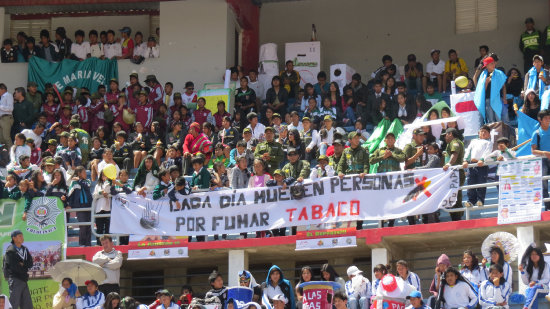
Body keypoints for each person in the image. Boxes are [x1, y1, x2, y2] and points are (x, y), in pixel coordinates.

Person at [462, 125, 493, 207]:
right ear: (478, 133)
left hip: (482, 165)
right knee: (470, 183)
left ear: (489, 135)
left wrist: (482, 159)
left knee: (481, 182)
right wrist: (465, 160)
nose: (483, 133)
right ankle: (471, 200)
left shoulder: (489, 143)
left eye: (485, 132)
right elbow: (468, 151)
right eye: (481, 131)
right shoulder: (473, 141)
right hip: (472, 164)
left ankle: (480, 200)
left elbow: (487, 152)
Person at [3, 230, 33, 309]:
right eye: (20, 236)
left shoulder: (25, 249)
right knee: (13, 303)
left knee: (27, 304)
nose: (22, 237)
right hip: (15, 279)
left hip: (24, 279)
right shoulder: (10, 251)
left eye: (22, 235)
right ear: (14, 238)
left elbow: (30, 264)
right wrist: (24, 267)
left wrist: (23, 264)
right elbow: (14, 267)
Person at [442, 128, 465, 221]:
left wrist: (449, 164)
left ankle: (457, 217)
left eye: (446, 134)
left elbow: (454, 154)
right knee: (452, 194)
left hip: (456, 173)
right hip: (452, 173)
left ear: (450, 134)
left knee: (455, 195)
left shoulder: (455, 142)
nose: (444, 137)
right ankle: (455, 216)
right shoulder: (450, 144)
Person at [68, 166, 93, 246]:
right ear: (79, 173)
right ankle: (82, 244)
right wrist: (70, 204)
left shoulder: (87, 181)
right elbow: (70, 194)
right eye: (84, 172)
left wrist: (79, 180)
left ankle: (88, 244)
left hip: (88, 206)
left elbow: (86, 186)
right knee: (82, 226)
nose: (86, 174)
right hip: (80, 207)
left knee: (89, 225)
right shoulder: (73, 182)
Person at [531, 109, 550, 210]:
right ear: (540, 120)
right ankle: (548, 207)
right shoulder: (536, 133)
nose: (548, 120)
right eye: (546, 118)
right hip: (543, 161)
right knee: (544, 184)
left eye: (549, 118)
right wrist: (545, 153)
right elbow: (533, 151)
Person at [519, 245, 549, 309]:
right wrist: (522, 271)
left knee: (535, 289)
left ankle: (526, 306)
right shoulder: (528, 267)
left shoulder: (545, 265)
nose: (534, 256)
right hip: (532, 289)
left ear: (540, 256)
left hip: (544, 288)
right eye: (532, 254)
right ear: (530, 256)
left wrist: (536, 282)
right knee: (531, 293)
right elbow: (526, 282)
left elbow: (547, 279)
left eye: (536, 254)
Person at [0, 84, 14, 149]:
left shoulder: (8, 95)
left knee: (6, 137)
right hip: (2, 119)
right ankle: (5, 155)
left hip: (6, 118)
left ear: (2, 89)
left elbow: (10, 108)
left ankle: (11, 154)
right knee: (1, 138)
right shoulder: (2, 97)